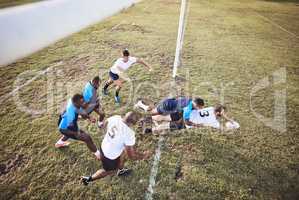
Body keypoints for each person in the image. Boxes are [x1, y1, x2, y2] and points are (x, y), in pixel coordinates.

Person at [81, 111, 151, 185]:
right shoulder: (129, 134)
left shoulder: (116, 117)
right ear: (132, 124)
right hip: (110, 156)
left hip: (104, 145)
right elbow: (131, 156)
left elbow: (103, 125)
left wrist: (111, 137)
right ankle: (88, 179)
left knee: (122, 152)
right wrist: (144, 155)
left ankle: (121, 170)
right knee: (109, 171)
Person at [55, 94, 101, 160]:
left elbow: (80, 111)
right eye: (82, 102)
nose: (84, 103)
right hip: (64, 129)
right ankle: (98, 154)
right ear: (76, 103)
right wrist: (75, 133)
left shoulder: (73, 101)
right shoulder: (71, 115)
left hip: (63, 120)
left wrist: (89, 117)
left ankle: (59, 143)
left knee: (71, 134)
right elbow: (64, 129)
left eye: (84, 101)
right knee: (87, 138)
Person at [135, 97, 205, 133]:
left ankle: (145, 120)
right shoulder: (188, 109)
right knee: (152, 112)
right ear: (196, 105)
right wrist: (197, 125)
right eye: (199, 107)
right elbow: (187, 122)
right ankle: (140, 105)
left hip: (171, 103)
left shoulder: (190, 100)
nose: (200, 109)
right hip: (167, 106)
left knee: (161, 117)